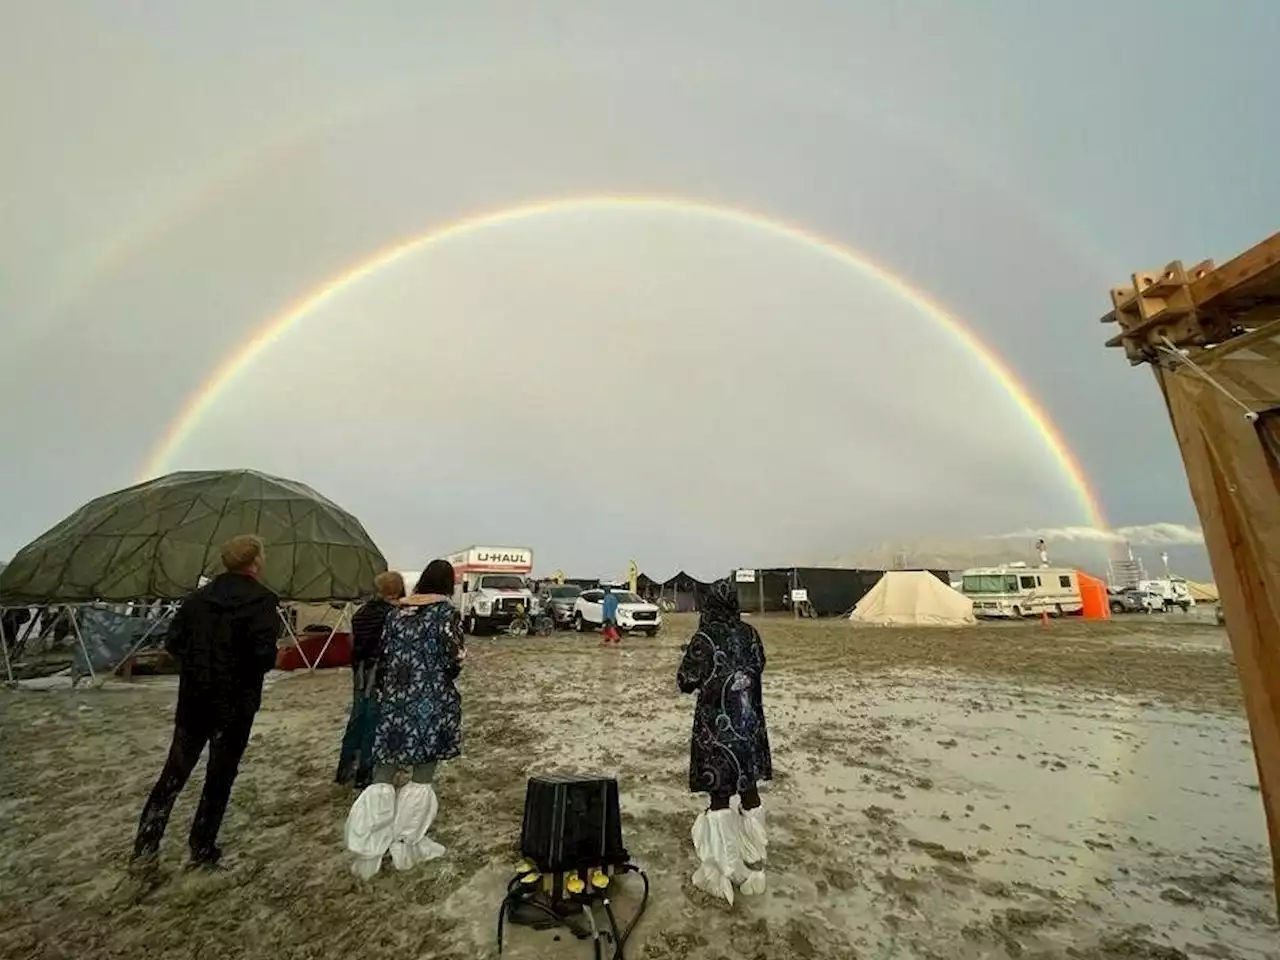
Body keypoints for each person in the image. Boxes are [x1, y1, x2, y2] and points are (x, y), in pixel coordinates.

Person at [132, 534, 280, 869]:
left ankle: (146, 845)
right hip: (235, 704)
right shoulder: (262, 601)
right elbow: (263, 656)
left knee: (174, 772)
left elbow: (173, 643)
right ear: (255, 562)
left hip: (195, 700)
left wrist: (200, 663)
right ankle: (202, 846)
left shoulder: (197, 599)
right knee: (219, 776)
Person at [344, 559, 464, 878]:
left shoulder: (396, 613)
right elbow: (455, 659)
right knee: (421, 772)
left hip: (395, 699)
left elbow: (383, 653)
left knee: (384, 771)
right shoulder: (445, 613)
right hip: (430, 700)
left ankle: (370, 847)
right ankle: (406, 844)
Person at [677, 578, 772, 904]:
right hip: (749, 729)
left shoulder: (704, 637)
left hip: (717, 734)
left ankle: (721, 873)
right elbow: (759, 666)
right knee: (749, 791)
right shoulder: (750, 634)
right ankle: (754, 865)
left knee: (720, 797)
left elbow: (685, 680)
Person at [335, 570, 407, 790]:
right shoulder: (394, 615)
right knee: (374, 722)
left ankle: (344, 768)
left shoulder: (362, 612)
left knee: (357, 718)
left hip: (360, 672)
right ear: (397, 590)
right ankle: (365, 773)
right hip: (381, 674)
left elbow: (353, 642)